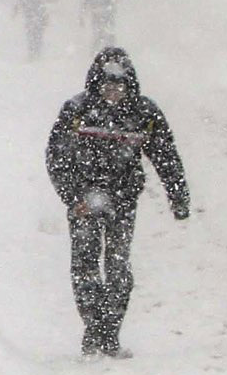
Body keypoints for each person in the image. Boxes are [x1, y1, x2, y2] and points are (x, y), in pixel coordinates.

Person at [44, 46, 190, 358]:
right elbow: (57, 156)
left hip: (123, 202)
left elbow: (166, 157)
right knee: (85, 266)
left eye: (119, 87)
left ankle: (110, 333)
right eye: (107, 87)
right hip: (85, 200)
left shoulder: (144, 114)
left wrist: (178, 196)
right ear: (96, 85)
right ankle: (93, 329)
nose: (113, 94)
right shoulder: (76, 112)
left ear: (129, 87)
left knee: (118, 266)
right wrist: (73, 197)